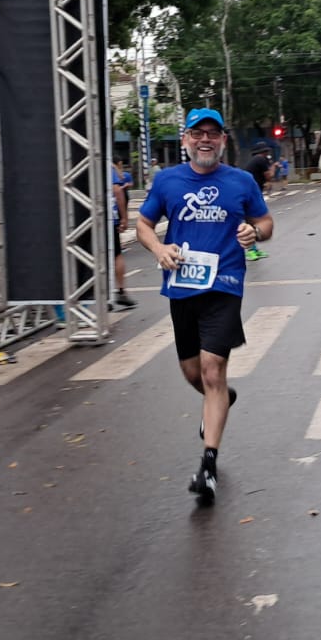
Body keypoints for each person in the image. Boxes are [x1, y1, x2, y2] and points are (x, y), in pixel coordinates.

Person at [135, 109, 272, 505]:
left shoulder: (241, 182)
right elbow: (143, 225)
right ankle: (221, 398)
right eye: (198, 134)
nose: (205, 140)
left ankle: (208, 464)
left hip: (224, 285)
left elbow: (266, 223)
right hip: (182, 289)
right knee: (193, 372)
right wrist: (159, 248)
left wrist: (254, 231)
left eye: (213, 133)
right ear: (186, 139)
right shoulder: (167, 181)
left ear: (224, 141)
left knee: (213, 368)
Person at [109, 159, 138, 312]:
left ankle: (101, 295)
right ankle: (120, 290)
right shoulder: (106, 165)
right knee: (116, 255)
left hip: (89, 219)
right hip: (107, 218)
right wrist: (124, 217)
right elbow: (117, 191)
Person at [243, 146, 274, 262]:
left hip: (252, 192)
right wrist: (274, 167)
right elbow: (269, 176)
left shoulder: (256, 160)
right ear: (264, 152)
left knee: (251, 222)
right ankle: (251, 250)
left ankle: (254, 249)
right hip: (249, 194)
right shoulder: (261, 160)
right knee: (251, 222)